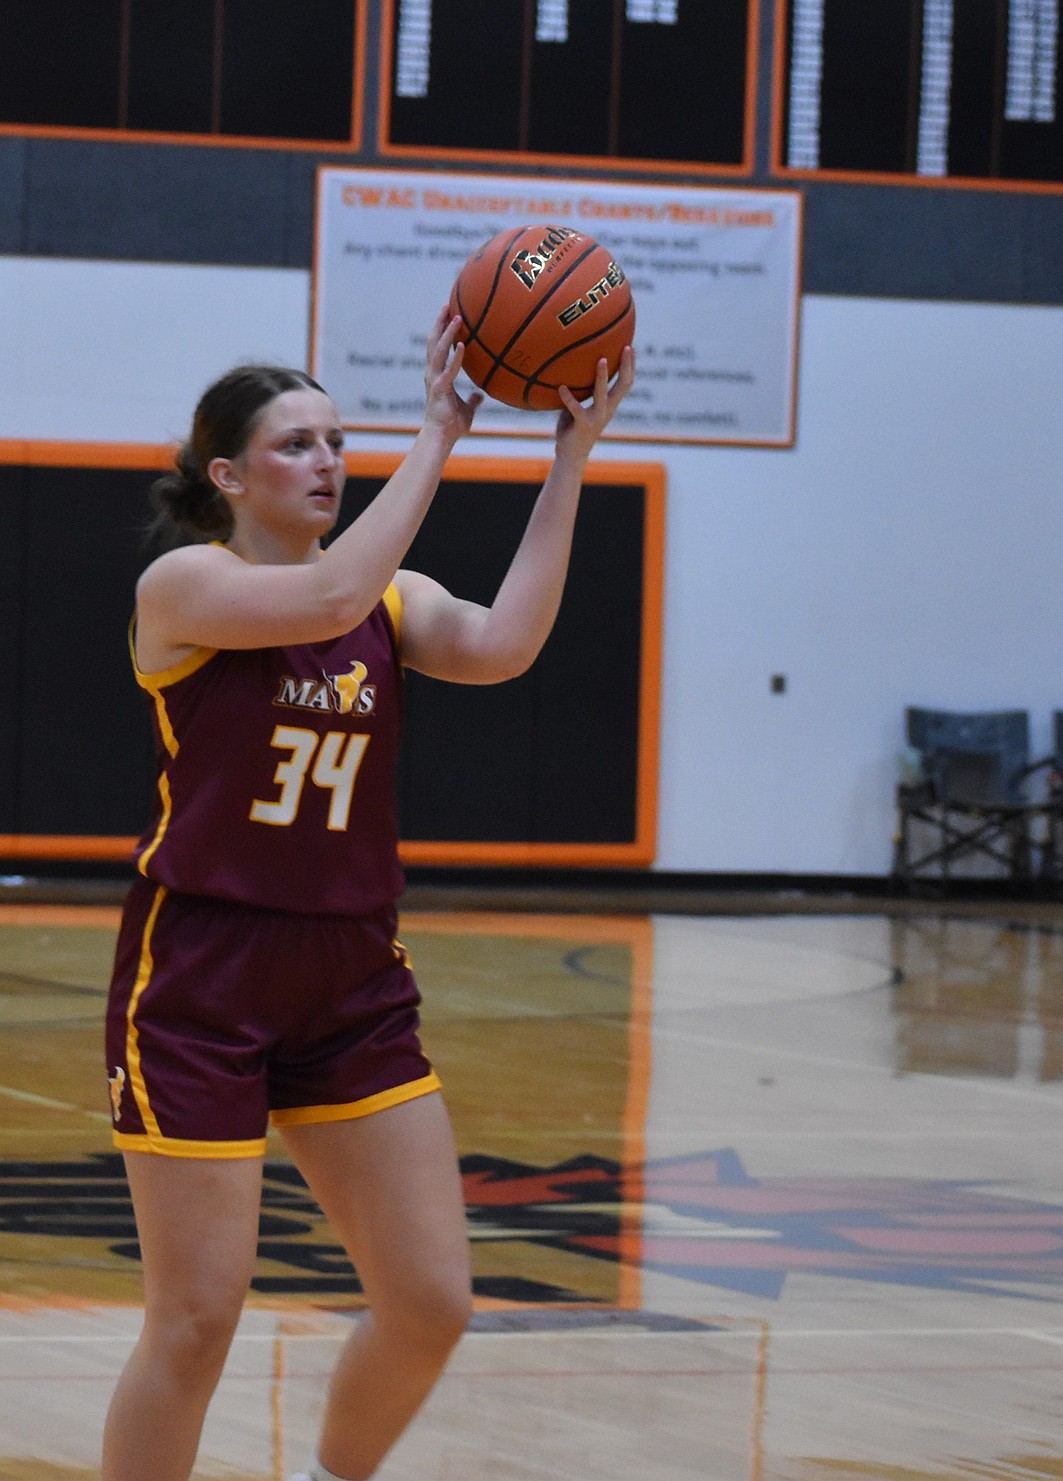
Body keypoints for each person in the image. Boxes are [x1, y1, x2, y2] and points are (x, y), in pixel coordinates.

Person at [101, 306, 635, 1481]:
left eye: (339, 440)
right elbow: (328, 596)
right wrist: (440, 435)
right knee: (195, 1320)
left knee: (434, 1298)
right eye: (298, 443)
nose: (329, 460)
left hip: (349, 975)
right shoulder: (188, 585)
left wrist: (570, 460)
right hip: (202, 974)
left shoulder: (386, 603)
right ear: (227, 475)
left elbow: (501, 645)